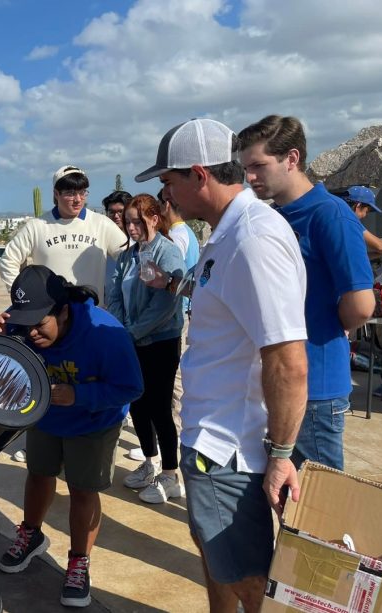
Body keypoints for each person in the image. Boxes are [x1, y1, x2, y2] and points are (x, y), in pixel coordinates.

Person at [136, 117, 308, 612]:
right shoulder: (227, 234)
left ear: (199, 174)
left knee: (247, 579)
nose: (165, 196)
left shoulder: (252, 239)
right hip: (212, 440)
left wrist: (280, 454)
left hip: (229, 449)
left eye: (168, 182)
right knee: (219, 564)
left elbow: (287, 359)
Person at [0, 266, 143, 608]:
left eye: (38, 325)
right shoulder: (23, 324)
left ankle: (78, 561)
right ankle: (30, 534)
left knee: (81, 490)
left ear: (63, 309)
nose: (30, 334)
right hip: (45, 415)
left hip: (93, 421)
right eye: (24, 324)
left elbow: (132, 387)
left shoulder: (107, 334)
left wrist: (79, 397)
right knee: (39, 474)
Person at [238, 115, 374, 471]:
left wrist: (325, 327)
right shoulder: (276, 216)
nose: (250, 177)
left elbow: (361, 305)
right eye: (245, 168)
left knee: (316, 512)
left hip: (316, 389)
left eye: (258, 166)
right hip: (280, 384)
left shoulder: (330, 216)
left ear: (292, 159)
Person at [108, 195, 186, 504]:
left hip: (159, 342)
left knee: (160, 408)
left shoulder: (168, 253)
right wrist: (120, 329)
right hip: (131, 340)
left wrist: (132, 333)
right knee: (138, 404)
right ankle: (149, 463)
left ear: (154, 218)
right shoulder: (128, 255)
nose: (131, 227)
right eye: (128, 221)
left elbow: (166, 306)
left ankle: (170, 474)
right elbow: (114, 293)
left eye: (137, 221)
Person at [0, 166, 126, 302]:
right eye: (70, 193)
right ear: (56, 194)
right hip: (51, 316)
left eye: (82, 192)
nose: (78, 199)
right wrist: (22, 297)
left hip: (90, 314)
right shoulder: (36, 227)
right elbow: (8, 260)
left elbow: (128, 257)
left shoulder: (102, 224)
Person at [158, 188, 200, 421]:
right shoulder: (188, 233)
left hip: (177, 312)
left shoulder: (177, 237)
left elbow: (172, 276)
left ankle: (177, 426)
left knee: (175, 377)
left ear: (166, 205)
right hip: (184, 309)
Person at [338, 185, 382, 259]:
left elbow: (352, 257)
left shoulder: (334, 215)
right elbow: (380, 247)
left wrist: (379, 254)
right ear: (358, 206)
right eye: (366, 211)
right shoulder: (349, 220)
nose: (365, 215)